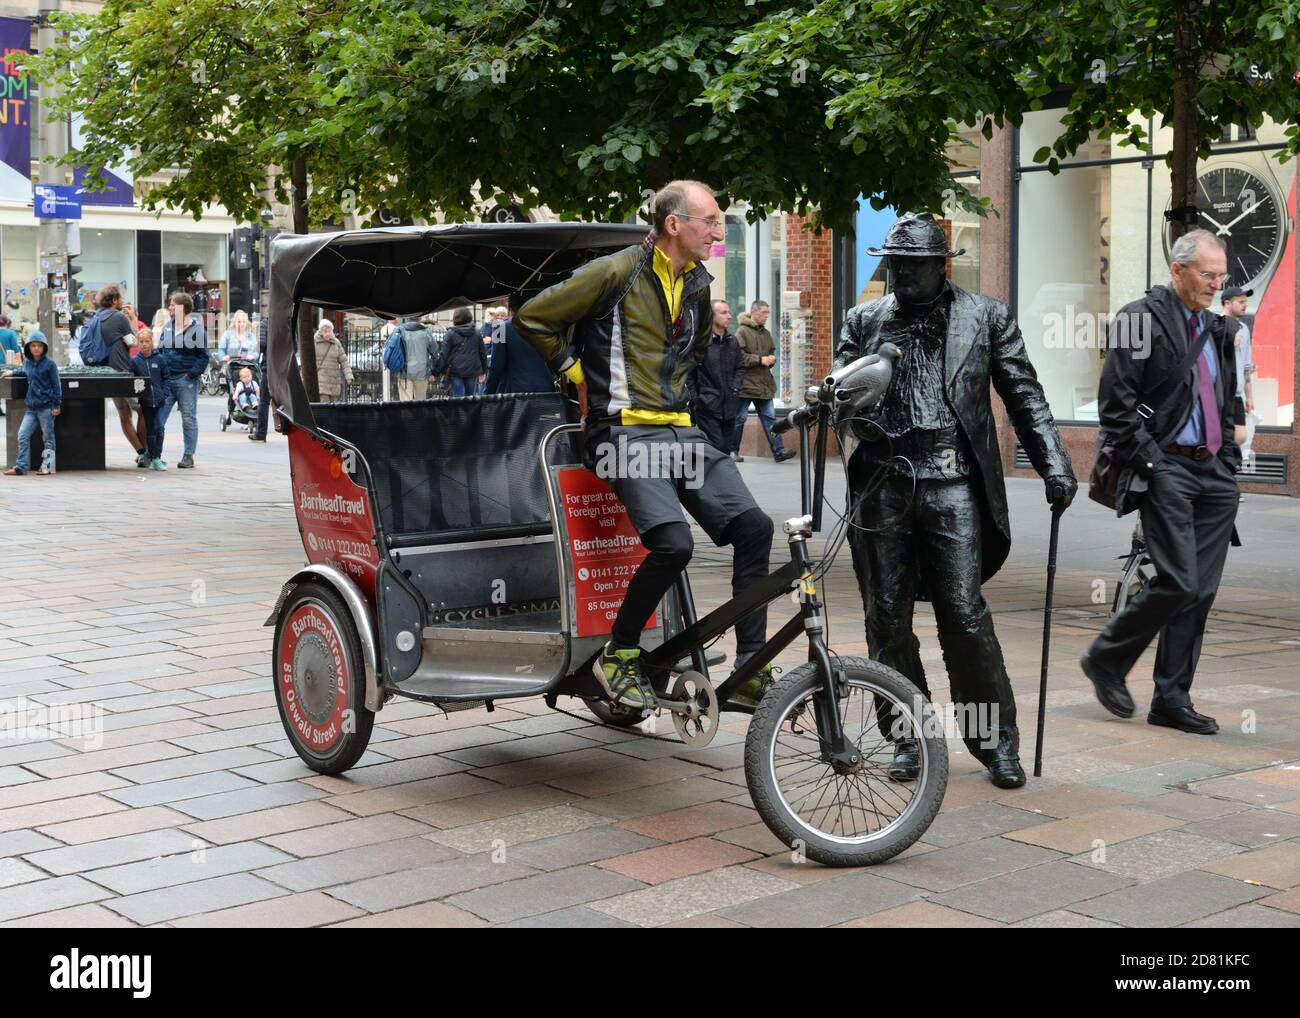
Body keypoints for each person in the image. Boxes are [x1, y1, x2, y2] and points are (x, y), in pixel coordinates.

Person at [837, 213, 1076, 789]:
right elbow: (838, 391)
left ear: (939, 265)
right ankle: (906, 739)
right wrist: (853, 402)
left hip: (952, 480)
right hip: (883, 482)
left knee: (964, 616)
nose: (900, 276)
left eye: (912, 267)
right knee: (886, 617)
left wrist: (1055, 463)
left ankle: (995, 741)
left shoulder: (985, 316)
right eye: (892, 264)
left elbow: (1024, 393)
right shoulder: (864, 318)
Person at [516, 179, 775, 710]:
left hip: (680, 430)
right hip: (623, 432)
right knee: (674, 545)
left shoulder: (700, 284)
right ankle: (620, 652)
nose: (717, 229)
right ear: (674, 224)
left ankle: (751, 665)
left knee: (756, 529)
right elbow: (534, 316)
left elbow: (696, 349)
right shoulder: (617, 271)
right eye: (709, 220)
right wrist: (572, 369)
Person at [1082, 229, 1244, 736]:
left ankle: (1171, 699)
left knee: (1200, 592)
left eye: (1221, 276)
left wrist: (1231, 458)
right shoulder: (1139, 318)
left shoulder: (1217, 327)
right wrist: (1153, 465)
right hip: (1166, 467)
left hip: (1214, 474)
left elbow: (1227, 398)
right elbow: (1115, 409)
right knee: (1179, 580)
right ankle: (1107, 658)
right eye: (1207, 274)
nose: (1216, 284)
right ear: (1177, 270)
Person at [733, 299, 795, 462]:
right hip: (746, 384)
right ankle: (732, 451)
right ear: (754, 312)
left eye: (768, 312)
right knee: (739, 419)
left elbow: (771, 352)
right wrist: (760, 360)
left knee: (770, 419)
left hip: (764, 385)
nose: (767, 316)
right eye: (764, 312)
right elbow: (737, 357)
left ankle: (778, 451)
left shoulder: (766, 333)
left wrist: (772, 359)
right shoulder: (742, 332)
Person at [94, 285, 149, 467]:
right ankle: (144, 452)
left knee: (123, 415)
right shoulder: (119, 317)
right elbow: (133, 342)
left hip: (106, 372)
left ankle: (140, 452)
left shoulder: (97, 317)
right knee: (141, 410)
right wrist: (132, 318)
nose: (122, 302)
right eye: (120, 299)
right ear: (114, 300)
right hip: (122, 372)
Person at [155, 290, 209, 469]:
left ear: (182, 308)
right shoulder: (168, 327)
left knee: (188, 418)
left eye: (172, 304)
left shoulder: (197, 330)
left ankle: (188, 455)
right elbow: (161, 350)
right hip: (168, 380)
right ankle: (155, 454)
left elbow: (204, 356)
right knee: (159, 417)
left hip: (186, 380)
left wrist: (191, 374)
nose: (169, 307)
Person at [2, 331, 61, 476]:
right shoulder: (27, 362)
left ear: (44, 347)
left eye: (39, 346)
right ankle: (21, 467)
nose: (36, 348)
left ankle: (47, 467)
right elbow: (25, 372)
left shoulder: (50, 364)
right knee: (22, 435)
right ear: (28, 347)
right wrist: (12, 373)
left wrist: (56, 405)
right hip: (31, 408)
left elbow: (57, 385)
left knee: (48, 437)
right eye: (33, 345)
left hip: (46, 407)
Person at [691, 299, 745, 455]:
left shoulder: (732, 341)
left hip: (729, 405)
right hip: (707, 405)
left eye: (729, 312)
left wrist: (735, 388)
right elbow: (689, 371)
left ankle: (716, 477)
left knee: (726, 449)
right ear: (711, 315)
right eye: (723, 312)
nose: (729, 316)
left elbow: (740, 367)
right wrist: (697, 399)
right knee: (717, 446)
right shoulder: (701, 342)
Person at [482, 295, 553, 395]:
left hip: (516, 391)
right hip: (545, 387)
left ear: (509, 308)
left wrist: (488, 393)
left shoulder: (499, 328)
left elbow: (496, 365)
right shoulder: (546, 326)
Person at [1220, 285, 1258, 469]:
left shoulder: (1243, 328)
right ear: (1227, 303)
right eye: (1241, 302)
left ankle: (1224, 476)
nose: (1245, 306)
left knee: (1240, 436)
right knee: (1226, 437)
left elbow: (1246, 365)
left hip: (1236, 394)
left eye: (1246, 302)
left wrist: (1249, 397)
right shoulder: (1215, 324)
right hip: (1220, 393)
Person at [129, 327, 171, 471]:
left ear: (151, 342)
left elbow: (166, 377)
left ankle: (157, 457)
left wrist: (165, 393)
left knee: (160, 427)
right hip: (145, 402)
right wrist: (138, 398)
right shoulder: (134, 361)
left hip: (159, 401)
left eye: (147, 341)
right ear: (137, 343)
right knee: (150, 430)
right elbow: (132, 381)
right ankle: (153, 458)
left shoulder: (159, 359)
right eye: (141, 342)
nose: (144, 344)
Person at [436, 307, 487, 397]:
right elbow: (482, 352)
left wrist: (436, 372)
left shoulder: (450, 333)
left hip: (455, 370)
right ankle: (469, 411)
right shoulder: (476, 332)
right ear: (469, 317)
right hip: (472, 369)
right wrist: (483, 370)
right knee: (470, 397)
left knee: (459, 397)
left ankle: (459, 411)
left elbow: (444, 354)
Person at [391, 316, 439, 400]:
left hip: (404, 372)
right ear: (420, 318)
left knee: (405, 404)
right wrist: (434, 371)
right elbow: (435, 353)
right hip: (422, 372)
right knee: (420, 404)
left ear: (407, 318)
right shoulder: (426, 332)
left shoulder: (399, 330)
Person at [313, 319, 353, 402]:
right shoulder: (314, 342)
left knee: (333, 408)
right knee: (324, 407)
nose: (327, 333)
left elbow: (344, 361)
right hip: (321, 382)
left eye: (329, 331)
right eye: (325, 331)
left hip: (334, 382)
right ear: (320, 331)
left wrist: (348, 376)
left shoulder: (336, 343)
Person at [250, 312, 270, 442]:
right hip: (285, 367)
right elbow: (295, 346)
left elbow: (261, 345)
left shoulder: (265, 324)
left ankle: (261, 433)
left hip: (269, 366)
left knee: (264, 401)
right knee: (287, 401)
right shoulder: (289, 322)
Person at [0, 314, 20, 418]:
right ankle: (8, 408)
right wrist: (19, 363)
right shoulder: (10, 333)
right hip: (6, 365)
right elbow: (15, 350)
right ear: (7, 323)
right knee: (5, 386)